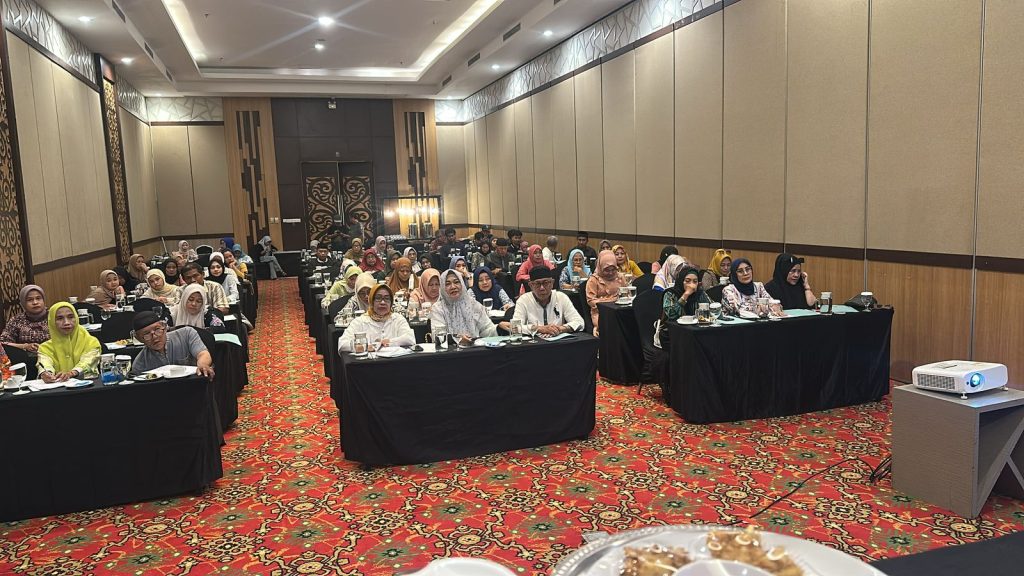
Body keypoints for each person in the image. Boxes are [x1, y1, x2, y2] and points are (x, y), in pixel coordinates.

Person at [130, 311, 215, 378]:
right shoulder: (140, 364)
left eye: (157, 329)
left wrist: (203, 365)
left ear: (165, 327)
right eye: (147, 334)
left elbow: (202, 353)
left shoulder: (186, 334)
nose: (155, 336)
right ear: (139, 339)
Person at [338, 284, 416, 353]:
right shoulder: (360, 321)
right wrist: (363, 347)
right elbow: (342, 344)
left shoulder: (397, 319)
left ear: (391, 302)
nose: (383, 302)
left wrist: (389, 342)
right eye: (378, 298)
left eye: (387, 298)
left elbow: (410, 338)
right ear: (371, 301)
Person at [36, 302, 101, 383]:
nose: (66, 322)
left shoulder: (91, 342)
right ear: (52, 322)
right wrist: (47, 374)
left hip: (89, 386)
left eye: (71, 317)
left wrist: (72, 373)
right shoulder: (45, 348)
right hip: (58, 388)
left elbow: (88, 362)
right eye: (60, 318)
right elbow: (44, 364)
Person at [430, 270, 498, 344]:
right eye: (447, 284)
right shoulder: (438, 308)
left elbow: (486, 329)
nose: (453, 287)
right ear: (442, 288)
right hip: (450, 350)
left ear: (462, 284)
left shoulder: (473, 304)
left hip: (475, 348)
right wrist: (458, 340)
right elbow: (438, 336)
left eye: (456, 282)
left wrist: (499, 328)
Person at [513, 266, 584, 335]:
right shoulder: (523, 300)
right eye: (537, 284)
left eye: (546, 283)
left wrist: (560, 329)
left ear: (552, 283)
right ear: (531, 285)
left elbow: (579, 322)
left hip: (558, 340)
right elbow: (515, 327)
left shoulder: (561, 297)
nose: (542, 288)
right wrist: (540, 329)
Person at [0, 285, 50, 354]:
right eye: (30, 300)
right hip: (25, 358)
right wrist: (25, 346)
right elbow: (3, 343)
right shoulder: (17, 320)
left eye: (38, 298)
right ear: (23, 303)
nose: (35, 302)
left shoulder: (54, 316)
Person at [585, 250, 625, 336]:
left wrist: (604, 299)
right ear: (600, 267)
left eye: (613, 269)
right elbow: (591, 301)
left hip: (620, 311)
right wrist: (612, 300)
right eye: (606, 270)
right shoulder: (593, 280)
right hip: (601, 313)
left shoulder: (620, 277)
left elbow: (626, 295)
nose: (610, 273)